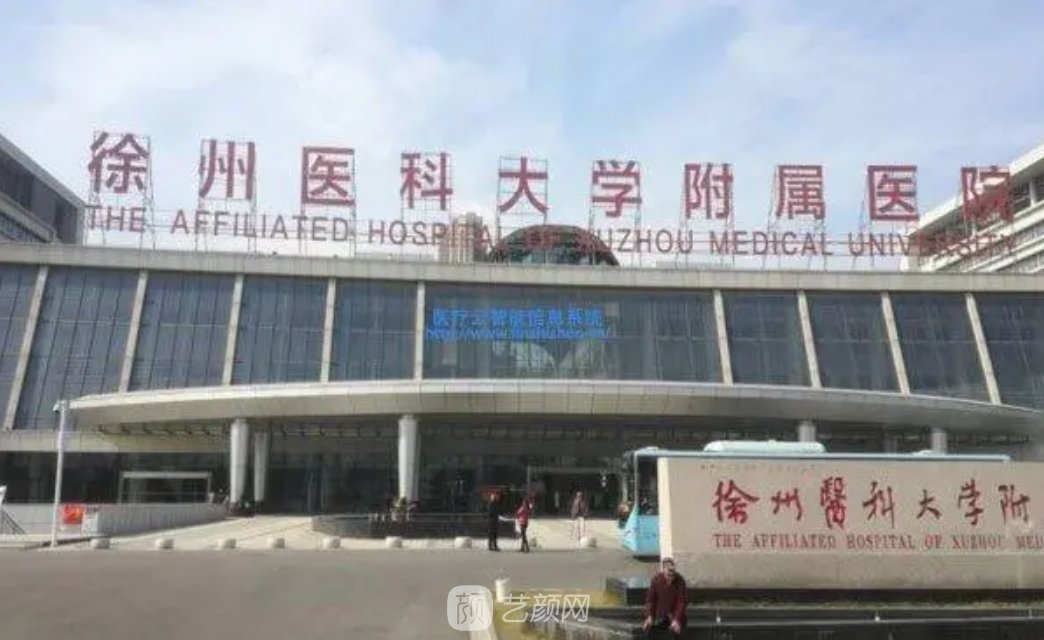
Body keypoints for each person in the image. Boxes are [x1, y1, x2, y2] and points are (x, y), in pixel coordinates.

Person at [642, 557, 687, 638]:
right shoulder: (656, 580)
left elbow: (681, 602)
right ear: (663, 571)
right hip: (659, 615)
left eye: (672, 575)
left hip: (675, 616)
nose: (670, 578)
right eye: (668, 575)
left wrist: (676, 620)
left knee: (675, 632)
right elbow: (650, 600)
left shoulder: (680, 581)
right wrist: (649, 615)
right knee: (648, 630)